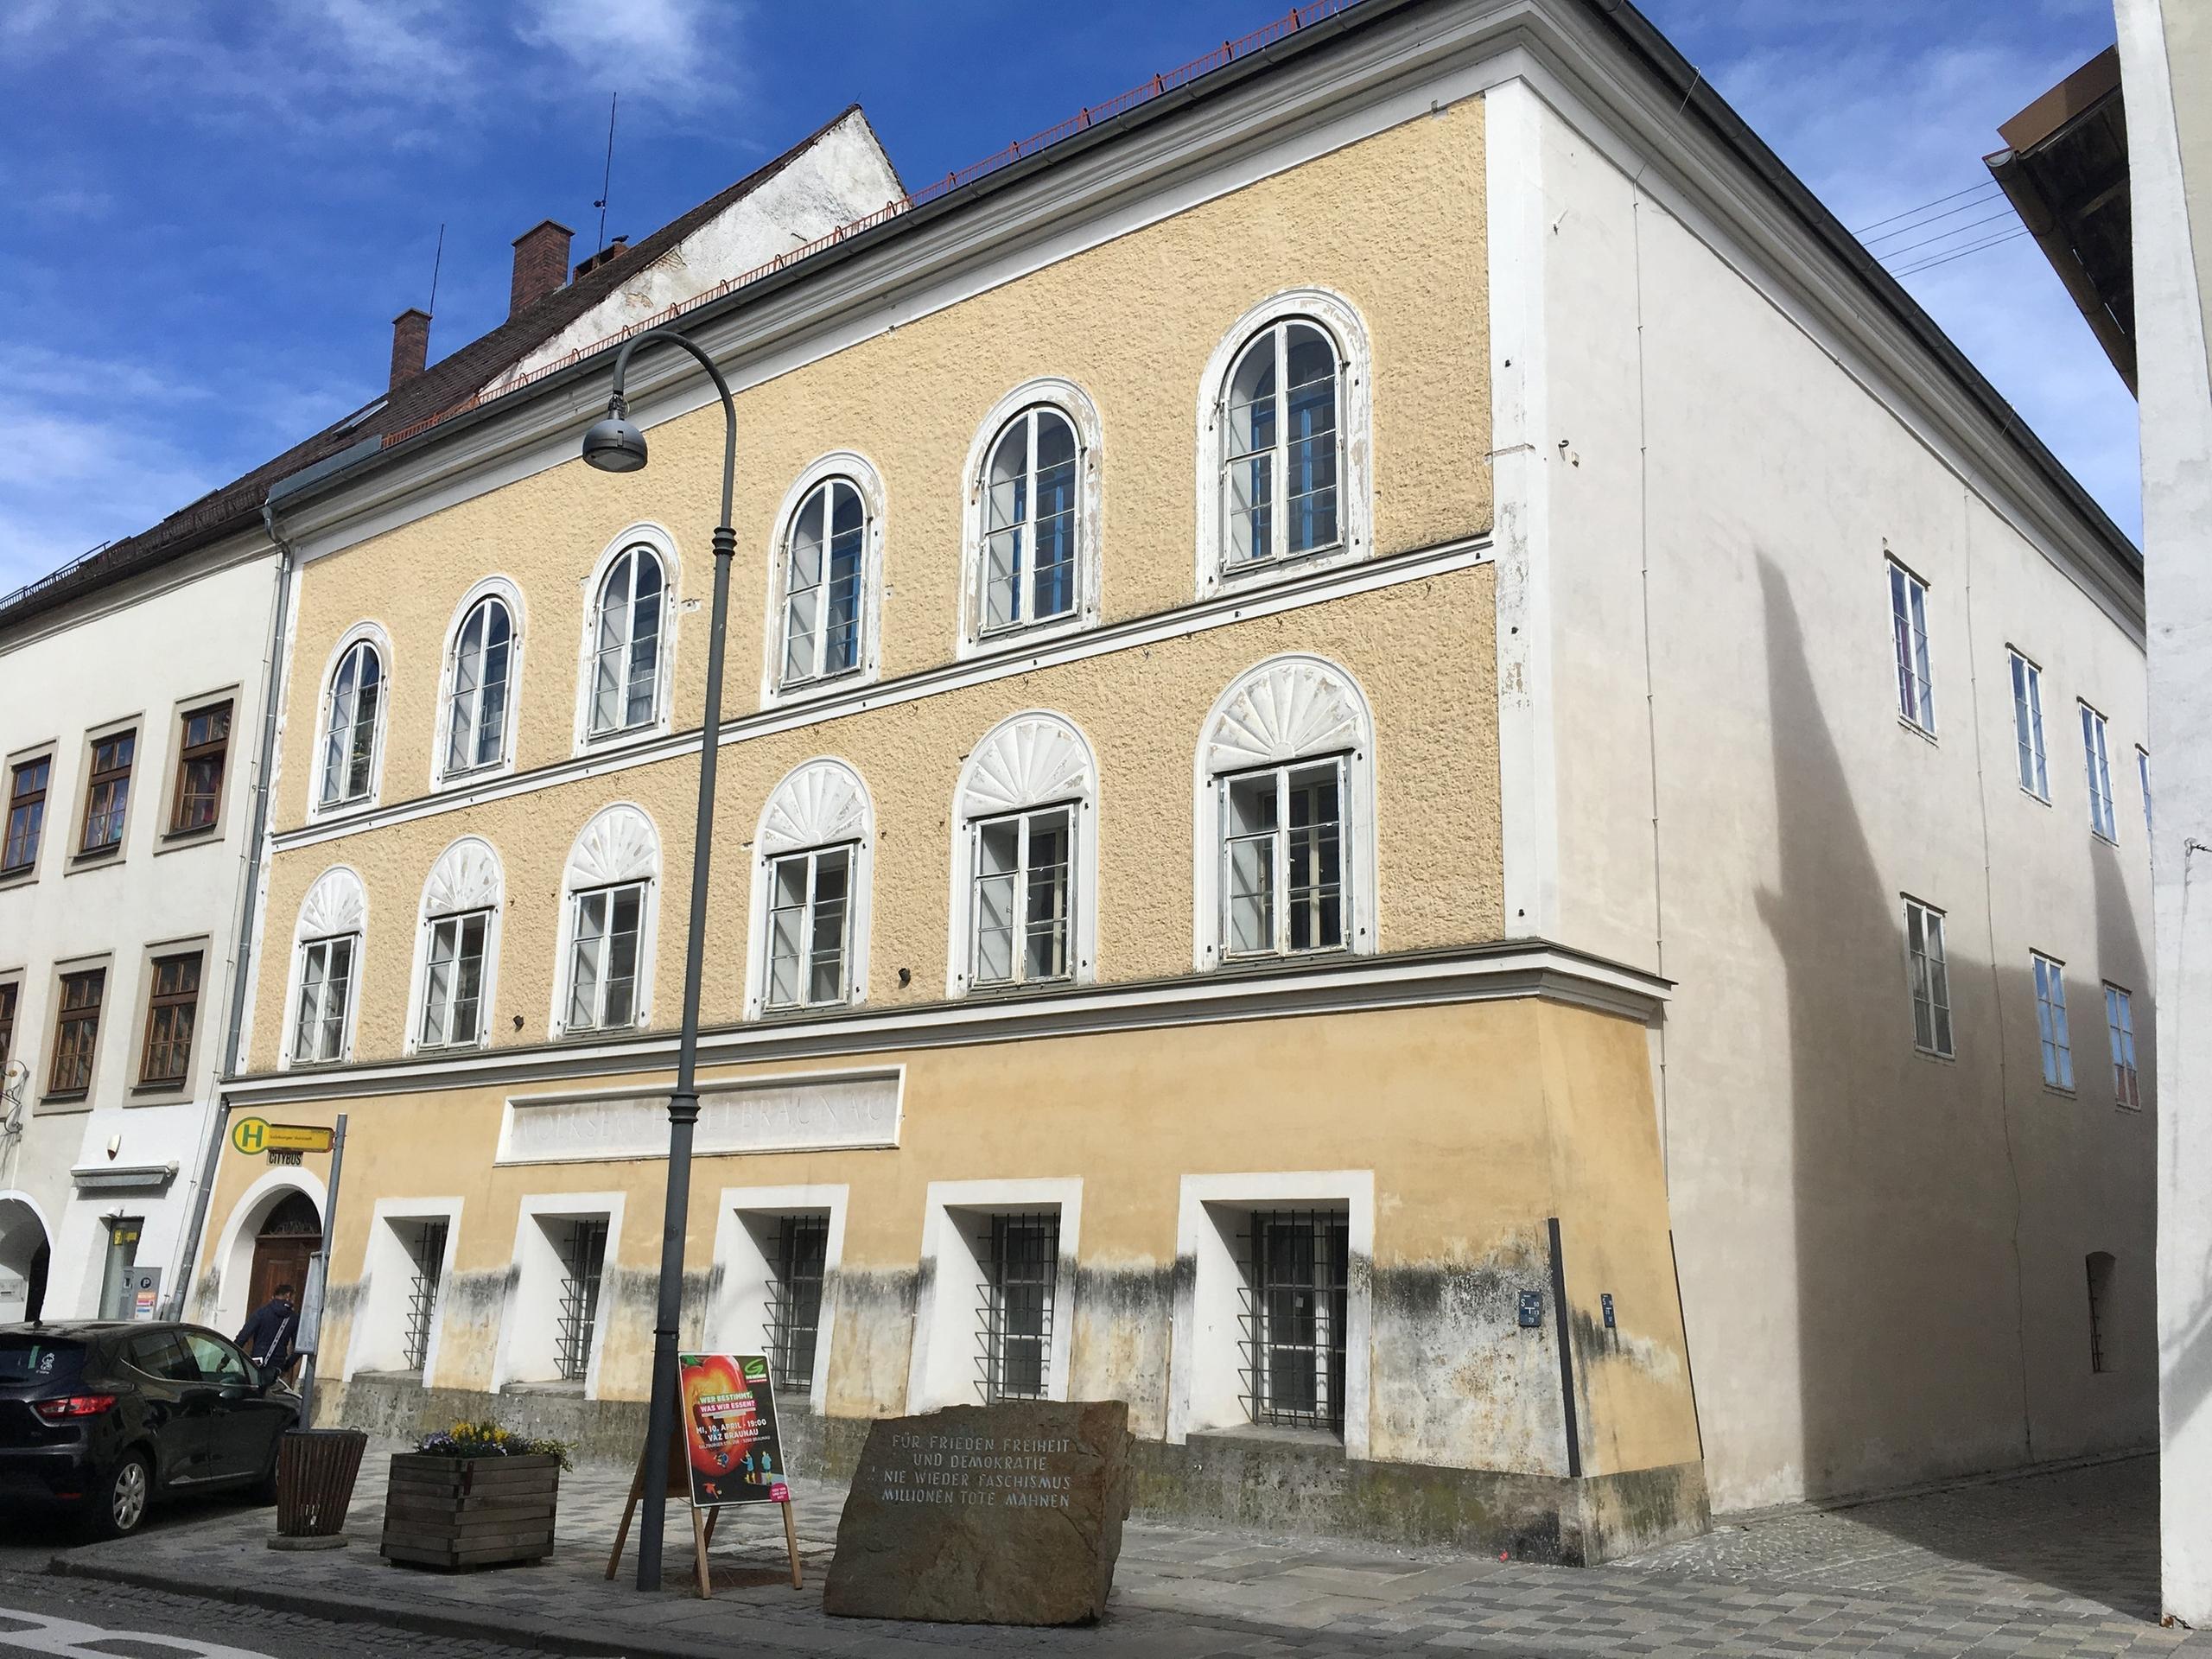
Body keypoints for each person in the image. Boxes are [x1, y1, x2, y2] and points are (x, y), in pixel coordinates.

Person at [235, 1283, 298, 1377]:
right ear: (288, 1296)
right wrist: (287, 1366)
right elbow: (298, 1348)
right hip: (277, 1367)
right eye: (293, 1299)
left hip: (256, 1363)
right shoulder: (293, 1318)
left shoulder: (261, 1312)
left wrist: (225, 1360)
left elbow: (242, 1337)